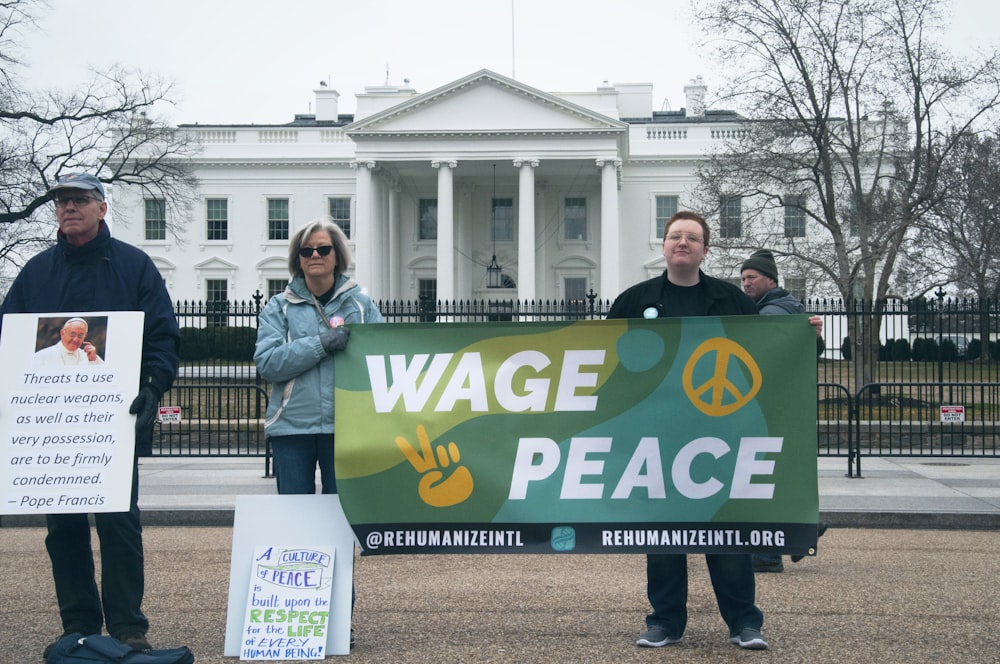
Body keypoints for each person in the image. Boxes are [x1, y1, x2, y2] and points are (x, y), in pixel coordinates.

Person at [0, 172, 180, 658]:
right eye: (61, 201)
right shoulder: (35, 273)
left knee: (119, 523)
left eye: (79, 200)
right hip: (51, 430)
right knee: (63, 529)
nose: (68, 208)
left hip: (112, 423)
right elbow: (10, 345)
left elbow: (163, 338)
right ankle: (78, 623)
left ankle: (127, 626)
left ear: (103, 208)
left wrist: (151, 387)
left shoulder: (135, 267)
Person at [608, 211, 772, 651]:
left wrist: (804, 337)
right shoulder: (631, 301)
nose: (683, 243)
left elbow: (765, 357)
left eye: (692, 238)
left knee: (726, 532)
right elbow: (610, 367)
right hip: (657, 438)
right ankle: (664, 622)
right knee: (664, 536)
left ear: (705, 250)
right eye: (675, 236)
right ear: (663, 246)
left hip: (721, 436)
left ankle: (744, 623)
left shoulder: (732, 301)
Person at [741, 248, 827, 572]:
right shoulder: (777, 307)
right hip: (777, 405)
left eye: (752, 278)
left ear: (770, 280)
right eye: (744, 278)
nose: (746, 283)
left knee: (762, 476)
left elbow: (760, 347)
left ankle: (770, 552)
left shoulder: (771, 312)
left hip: (769, 406)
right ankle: (801, 529)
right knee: (771, 475)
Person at [35, 317, 105, 366]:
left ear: (85, 337)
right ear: (62, 333)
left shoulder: (91, 357)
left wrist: (93, 361)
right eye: (72, 334)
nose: (75, 340)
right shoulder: (41, 356)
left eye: (80, 336)